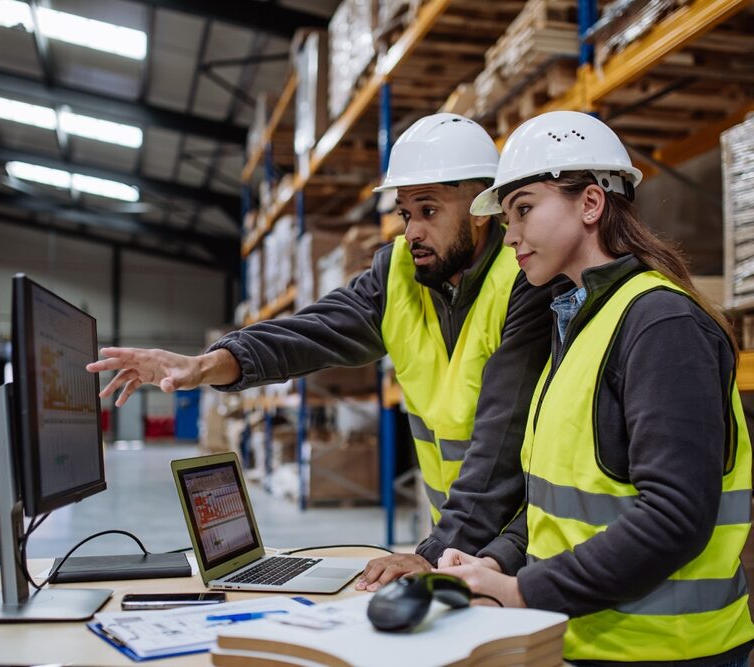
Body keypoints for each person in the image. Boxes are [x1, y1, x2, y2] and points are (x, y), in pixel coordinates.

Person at [86, 113, 561, 591]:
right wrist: (204, 365)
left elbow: (502, 439)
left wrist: (435, 551)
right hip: (457, 542)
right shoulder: (396, 273)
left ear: (481, 210)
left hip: (522, 546)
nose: (412, 231)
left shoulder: (526, 279)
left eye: (429, 211)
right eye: (405, 213)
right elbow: (309, 332)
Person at [438, 110, 754, 665]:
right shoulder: (578, 323)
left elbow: (675, 515)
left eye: (524, 210)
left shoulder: (661, 325)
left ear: (590, 203)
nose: (509, 235)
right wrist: (499, 561)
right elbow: (563, 505)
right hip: (592, 640)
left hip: (668, 651)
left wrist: (525, 592)